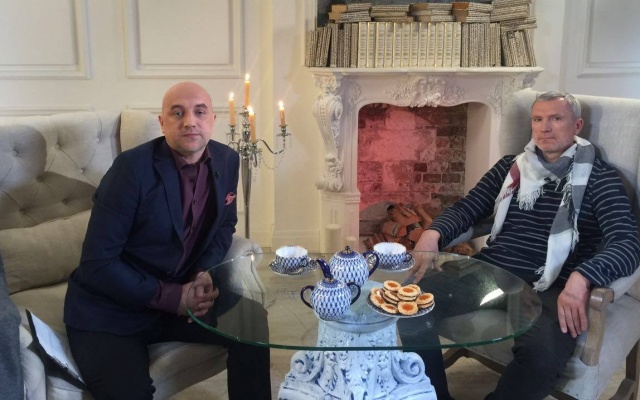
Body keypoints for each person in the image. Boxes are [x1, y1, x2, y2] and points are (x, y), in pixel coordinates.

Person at [409, 91, 640, 400]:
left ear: (577, 125)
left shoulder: (600, 178)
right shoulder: (510, 167)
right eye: (538, 119)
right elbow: (467, 208)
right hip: (492, 270)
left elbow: (627, 243)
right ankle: (431, 394)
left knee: (541, 356)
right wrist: (433, 233)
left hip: (552, 287)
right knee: (410, 304)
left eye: (556, 118)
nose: (545, 127)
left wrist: (582, 277)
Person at [64, 82, 271, 400]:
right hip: (111, 311)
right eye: (178, 113)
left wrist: (203, 272)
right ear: (162, 123)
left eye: (199, 112)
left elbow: (223, 226)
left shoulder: (227, 160)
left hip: (182, 295)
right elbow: (97, 264)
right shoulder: (130, 170)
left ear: (212, 120)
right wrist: (173, 297)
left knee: (252, 321)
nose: (190, 121)